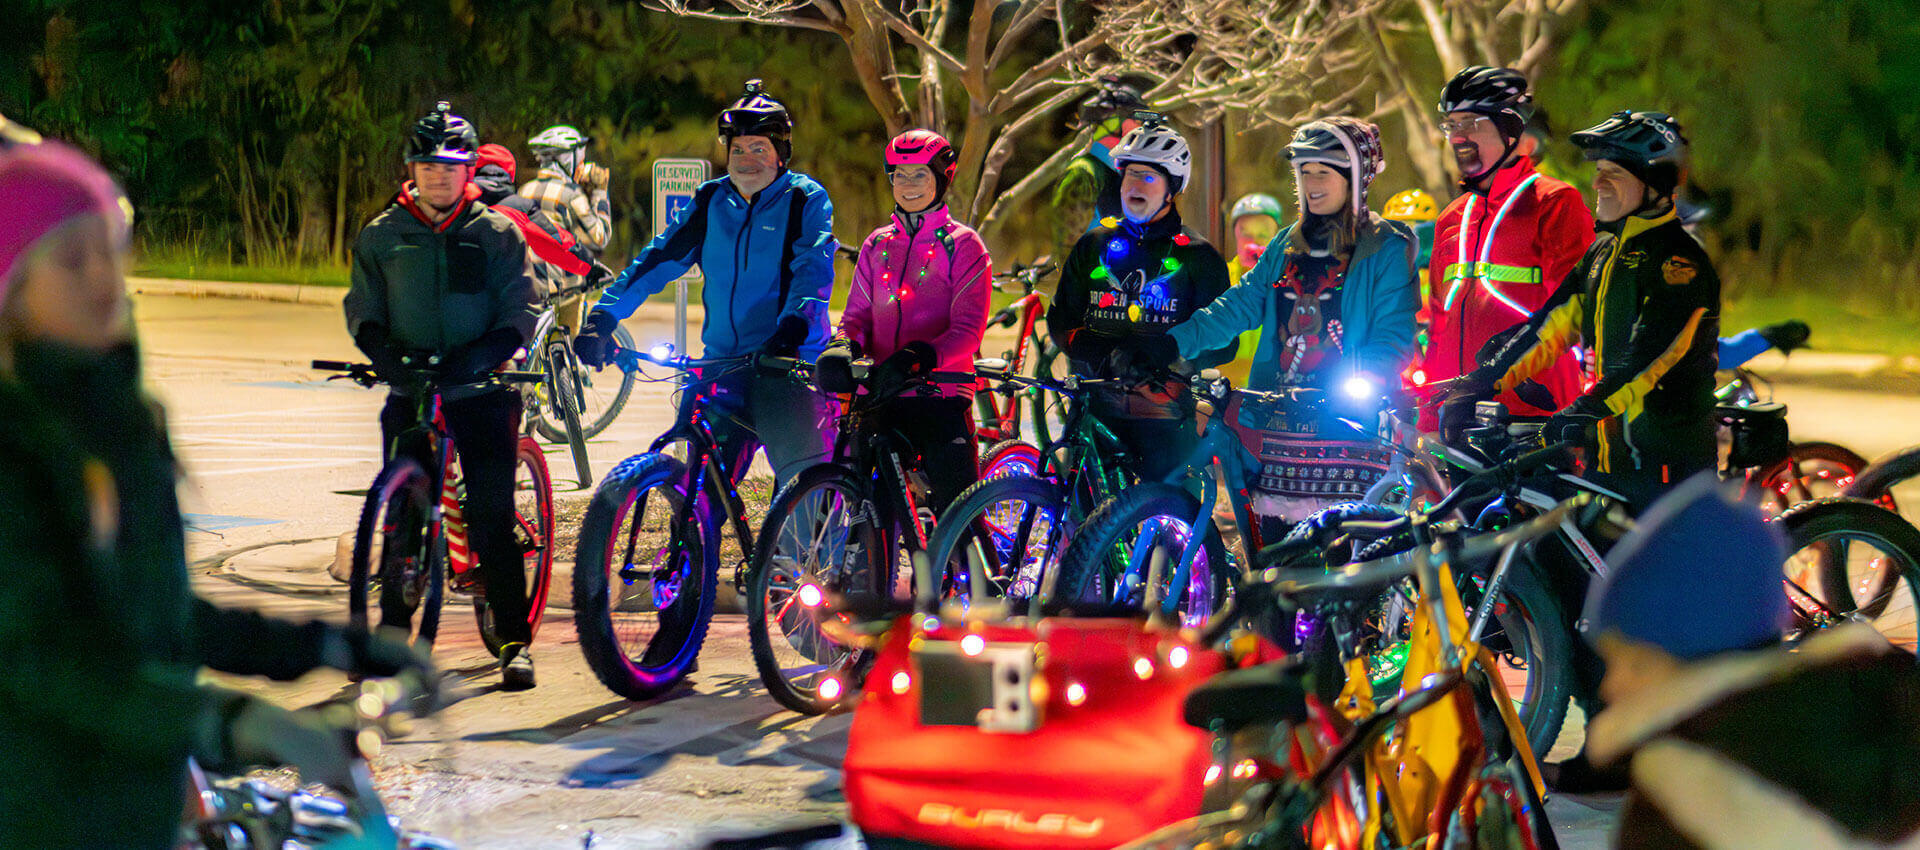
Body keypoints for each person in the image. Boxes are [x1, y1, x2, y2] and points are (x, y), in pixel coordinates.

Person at [0, 141, 431, 846]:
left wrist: (333, 647)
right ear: (11, 284)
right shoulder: (15, 445)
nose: (104, 278)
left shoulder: (117, 426)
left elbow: (159, 617)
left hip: (132, 812)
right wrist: (228, 721)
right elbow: (44, 664)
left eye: (111, 250)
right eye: (72, 259)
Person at [1580, 473, 1920, 847]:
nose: (1609, 686)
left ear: (1693, 659)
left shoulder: (1680, 796)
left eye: (1633, 663)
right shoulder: (1886, 720)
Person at [343, 102, 543, 688]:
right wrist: (384, 354)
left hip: (481, 390)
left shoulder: (497, 232)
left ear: (468, 171)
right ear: (411, 168)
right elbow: (363, 308)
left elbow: (521, 309)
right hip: (412, 387)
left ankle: (512, 641)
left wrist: (482, 355)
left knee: (490, 515)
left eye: (450, 165)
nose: (438, 175)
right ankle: (389, 641)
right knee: (401, 514)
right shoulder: (384, 234)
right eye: (427, 164)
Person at [1447, 110, 1718, 513]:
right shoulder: (1603, 252)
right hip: (1604, 466)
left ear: (1655, 184)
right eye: (1599, 171)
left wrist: (1581, 411)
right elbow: (1549, 328)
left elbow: (1651, 358)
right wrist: (1480, 382)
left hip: (1664, 475)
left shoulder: (1678, 260)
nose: (1598, 183)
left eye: (1614, 174)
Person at [573, 79, 835, 491]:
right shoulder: (712, 200)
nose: (746, 159)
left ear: (781, 153)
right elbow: (658, 260)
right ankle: (692, 553)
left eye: (759, 149)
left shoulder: (804, 199)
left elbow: (812, 270)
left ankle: (800, 556)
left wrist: (793, 329)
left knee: (804, 498)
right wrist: (604, 317)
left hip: (785, 366)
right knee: (698, 494)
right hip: (722, 364)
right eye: (738, 150)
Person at [1161, 117, 1419, 523]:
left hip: (1348, 430)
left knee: (1344, 557)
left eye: (1324, 172)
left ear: (1355, 178)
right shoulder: (1284, 243)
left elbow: (1396, 334)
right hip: (1276, 424)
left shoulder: (1385, 247)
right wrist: (1173, 343)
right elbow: (1240, 304)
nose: (1311, 182)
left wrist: (1358, 379)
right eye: (1304, 172)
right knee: (1276, 557)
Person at [1047, 114, 1234, 483]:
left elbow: (1224, 344)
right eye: (1128, 175)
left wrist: (1160, 353)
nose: (1134, 185)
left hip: (1166, 419)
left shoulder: (1199, 256)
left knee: (1168, 529)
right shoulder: (1093, 245)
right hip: (1094, 412)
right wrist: (1099, 353)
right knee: (1085, 527)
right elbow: (1061, 321)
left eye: (1148, 177)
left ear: (1171, 187)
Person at [1413, 67, 1594, 431]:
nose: (1458, 137)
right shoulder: (1451, 217)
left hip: (1533, 419)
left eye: (1471, 124)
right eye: (1451, 125)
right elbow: (1439, 327)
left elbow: (1575, 315)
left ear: (1511, 129)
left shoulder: (1555, 202)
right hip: (1454, 418)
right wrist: (1428, 417)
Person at [832, 129, 991, 516]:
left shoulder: (965, 245)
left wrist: (919, 356)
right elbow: (855, 317)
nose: (908, 184)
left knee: (958, 517)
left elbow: (968, 333)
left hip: (941, 396)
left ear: (942, 178)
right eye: (899, 175)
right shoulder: (877, 244)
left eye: (919, 174)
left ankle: (978, 576)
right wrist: (843, 345)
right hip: (882, 396)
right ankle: (876, 573)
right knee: (871, 513)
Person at [519, 123, 612, 334]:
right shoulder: (571, 194)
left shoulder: (525, 190)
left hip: (530, 284)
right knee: (572, 343)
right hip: (563, 287)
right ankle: (572, 362)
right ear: (567, 159)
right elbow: (600, 237)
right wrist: (599, 193)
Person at [474, 142, 597, 293]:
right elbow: (559, 244)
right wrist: (591, 266)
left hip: (453, 304)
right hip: (505, 302)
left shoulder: (454, 202)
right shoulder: (518, 208)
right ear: (510, 174)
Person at [1217, 192, 1287, 386]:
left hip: (1271, 393)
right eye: (1245, 234)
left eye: (1263, 235)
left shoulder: (1288, 285)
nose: (1253, 243)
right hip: (1224, 393)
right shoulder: (1219, 279)